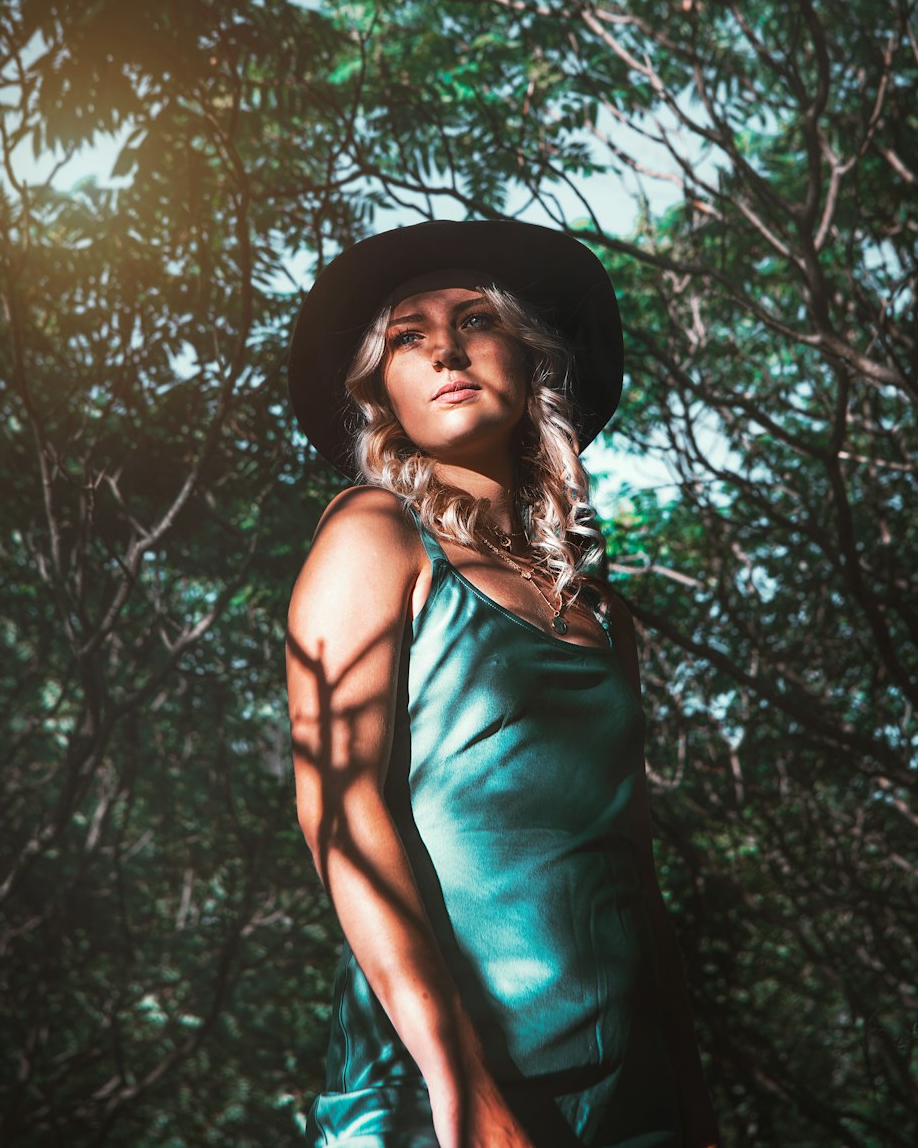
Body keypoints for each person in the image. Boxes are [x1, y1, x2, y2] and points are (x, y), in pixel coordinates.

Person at [285, 220, 718, 1148]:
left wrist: (690, 1099)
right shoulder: (373, 533)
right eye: (408, 336)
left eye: (476, 319)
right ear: (382, 390)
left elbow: (632, 870)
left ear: (530, 363)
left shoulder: (605, 616)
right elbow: (340, 807)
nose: (445, 347)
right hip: (434, 1090)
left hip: (630, 1095)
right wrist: (460, 1083)